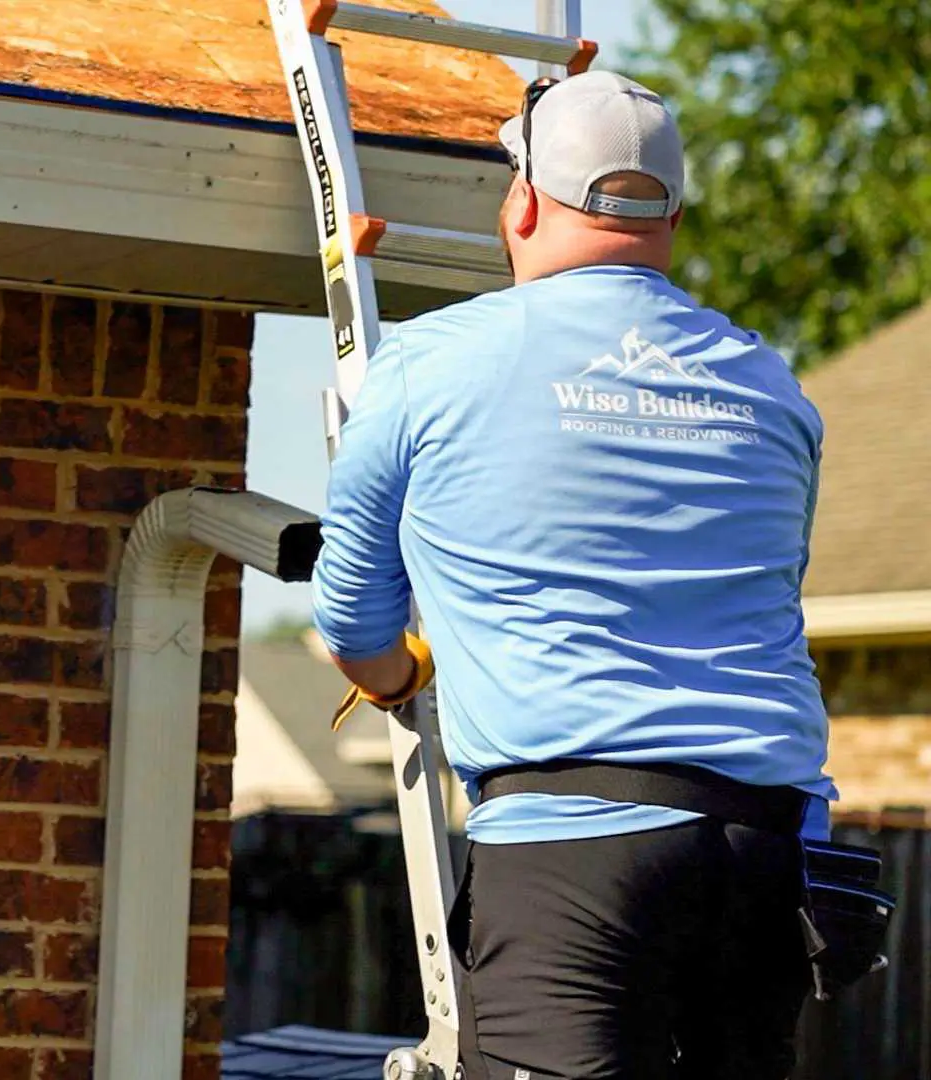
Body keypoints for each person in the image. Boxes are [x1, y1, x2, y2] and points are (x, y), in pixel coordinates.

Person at [310, 71, 835, 1080]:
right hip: (767, 854)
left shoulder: (430, 365)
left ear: (522, 201)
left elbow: (353, 623)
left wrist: (400, 675)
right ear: (672, 217)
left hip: (573, 853)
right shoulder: (772, 387)